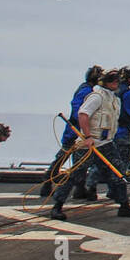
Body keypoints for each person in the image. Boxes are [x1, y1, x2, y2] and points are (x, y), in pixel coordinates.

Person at [49, 69, 130, 220]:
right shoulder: (96, 97)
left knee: (118, 172)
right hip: (89, 145)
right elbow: (83, 114)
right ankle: (57, 206)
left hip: (106, 144)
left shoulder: (114, 98)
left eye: (118, 81)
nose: (117, 83)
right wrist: (88, 136)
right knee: (74, 175)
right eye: (114, 81)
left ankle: (124, 206)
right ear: (107, 82)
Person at [76, 66, 130, 201]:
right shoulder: (125, 94)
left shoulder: (111, 94)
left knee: (99, 164)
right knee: (120, 164)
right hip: (117, 134)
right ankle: (115, 193)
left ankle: (91, 188)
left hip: (107, 136)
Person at [41, 64, 105, 197]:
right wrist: (83, 125)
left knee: (80, 160)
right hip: (76, 129)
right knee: (64, 156)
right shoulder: (86, 91)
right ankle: (47, 183)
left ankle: (79, 188)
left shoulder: (87, 90)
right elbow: (78, 109)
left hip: (79, 128)